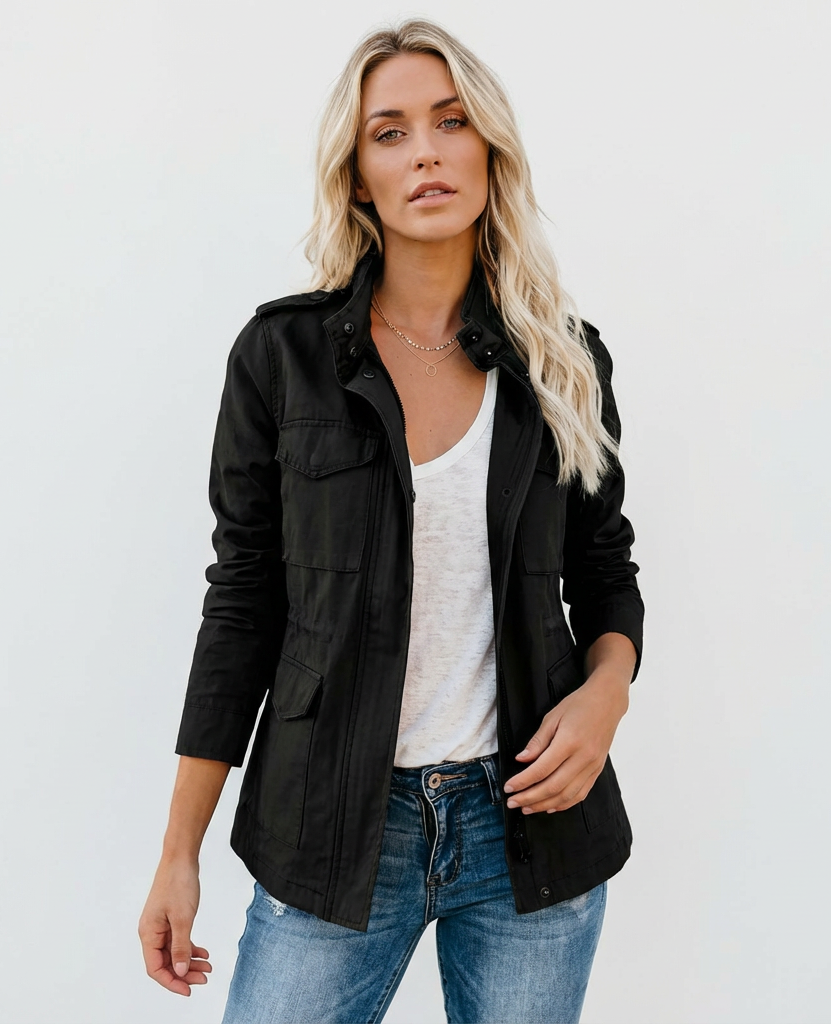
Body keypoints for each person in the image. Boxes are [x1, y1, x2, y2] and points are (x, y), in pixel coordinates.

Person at [138, 18, 644, 1024]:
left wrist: (608, 694)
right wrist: (177, 853)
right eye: (390, 132)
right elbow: (241, 604)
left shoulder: (562, 359)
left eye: (452, 123)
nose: (425, 153)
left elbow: (604, 568)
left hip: (531, 829)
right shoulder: (282, 358)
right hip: (333, 826)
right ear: (358, 177)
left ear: (490, 152)